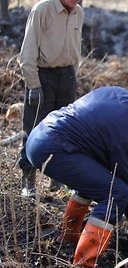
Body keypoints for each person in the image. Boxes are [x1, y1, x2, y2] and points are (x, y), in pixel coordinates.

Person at [26, 86, 128, 267]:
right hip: (54, 149)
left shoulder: (117, 92)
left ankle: (69, 237)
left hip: (39, 136)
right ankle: (84, 262)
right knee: (118, 193)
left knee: (100, 180)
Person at [19, 0, 84, 196]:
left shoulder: (78, 12)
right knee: (34, 127)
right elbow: (28, 50)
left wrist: (73, 77)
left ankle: (59, 177)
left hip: (66, 76)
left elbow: (75, 49)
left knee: (64, 129)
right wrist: (33, 84)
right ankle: (28, 179)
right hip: (43, 75)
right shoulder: (42, 9)